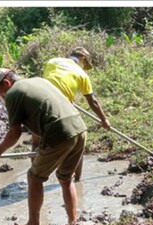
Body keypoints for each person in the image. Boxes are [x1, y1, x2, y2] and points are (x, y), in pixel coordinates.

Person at [0, 68, 88, 225]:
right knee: (66, 178)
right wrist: (39, 147)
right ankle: (73, 223)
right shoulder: (39, 81)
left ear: (6, 83)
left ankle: (33, 224)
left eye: (0, 93)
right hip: (79, 127)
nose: (1, 97)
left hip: (59, 131)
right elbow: (44, 114)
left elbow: (14, 133)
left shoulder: (13, 94)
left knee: (34, 177)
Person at [42, 47, 111, 182]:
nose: (85, 67)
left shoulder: (52, 61)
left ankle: (37, 176)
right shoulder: (81, 73)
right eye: (85, 64)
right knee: (79, 140)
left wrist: (67, 98)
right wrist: (104, 119)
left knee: (37, 141)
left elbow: (51, 82)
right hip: (61, 107)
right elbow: (92, 101)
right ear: (83, 59)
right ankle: (77, 180)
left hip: (41, 103)